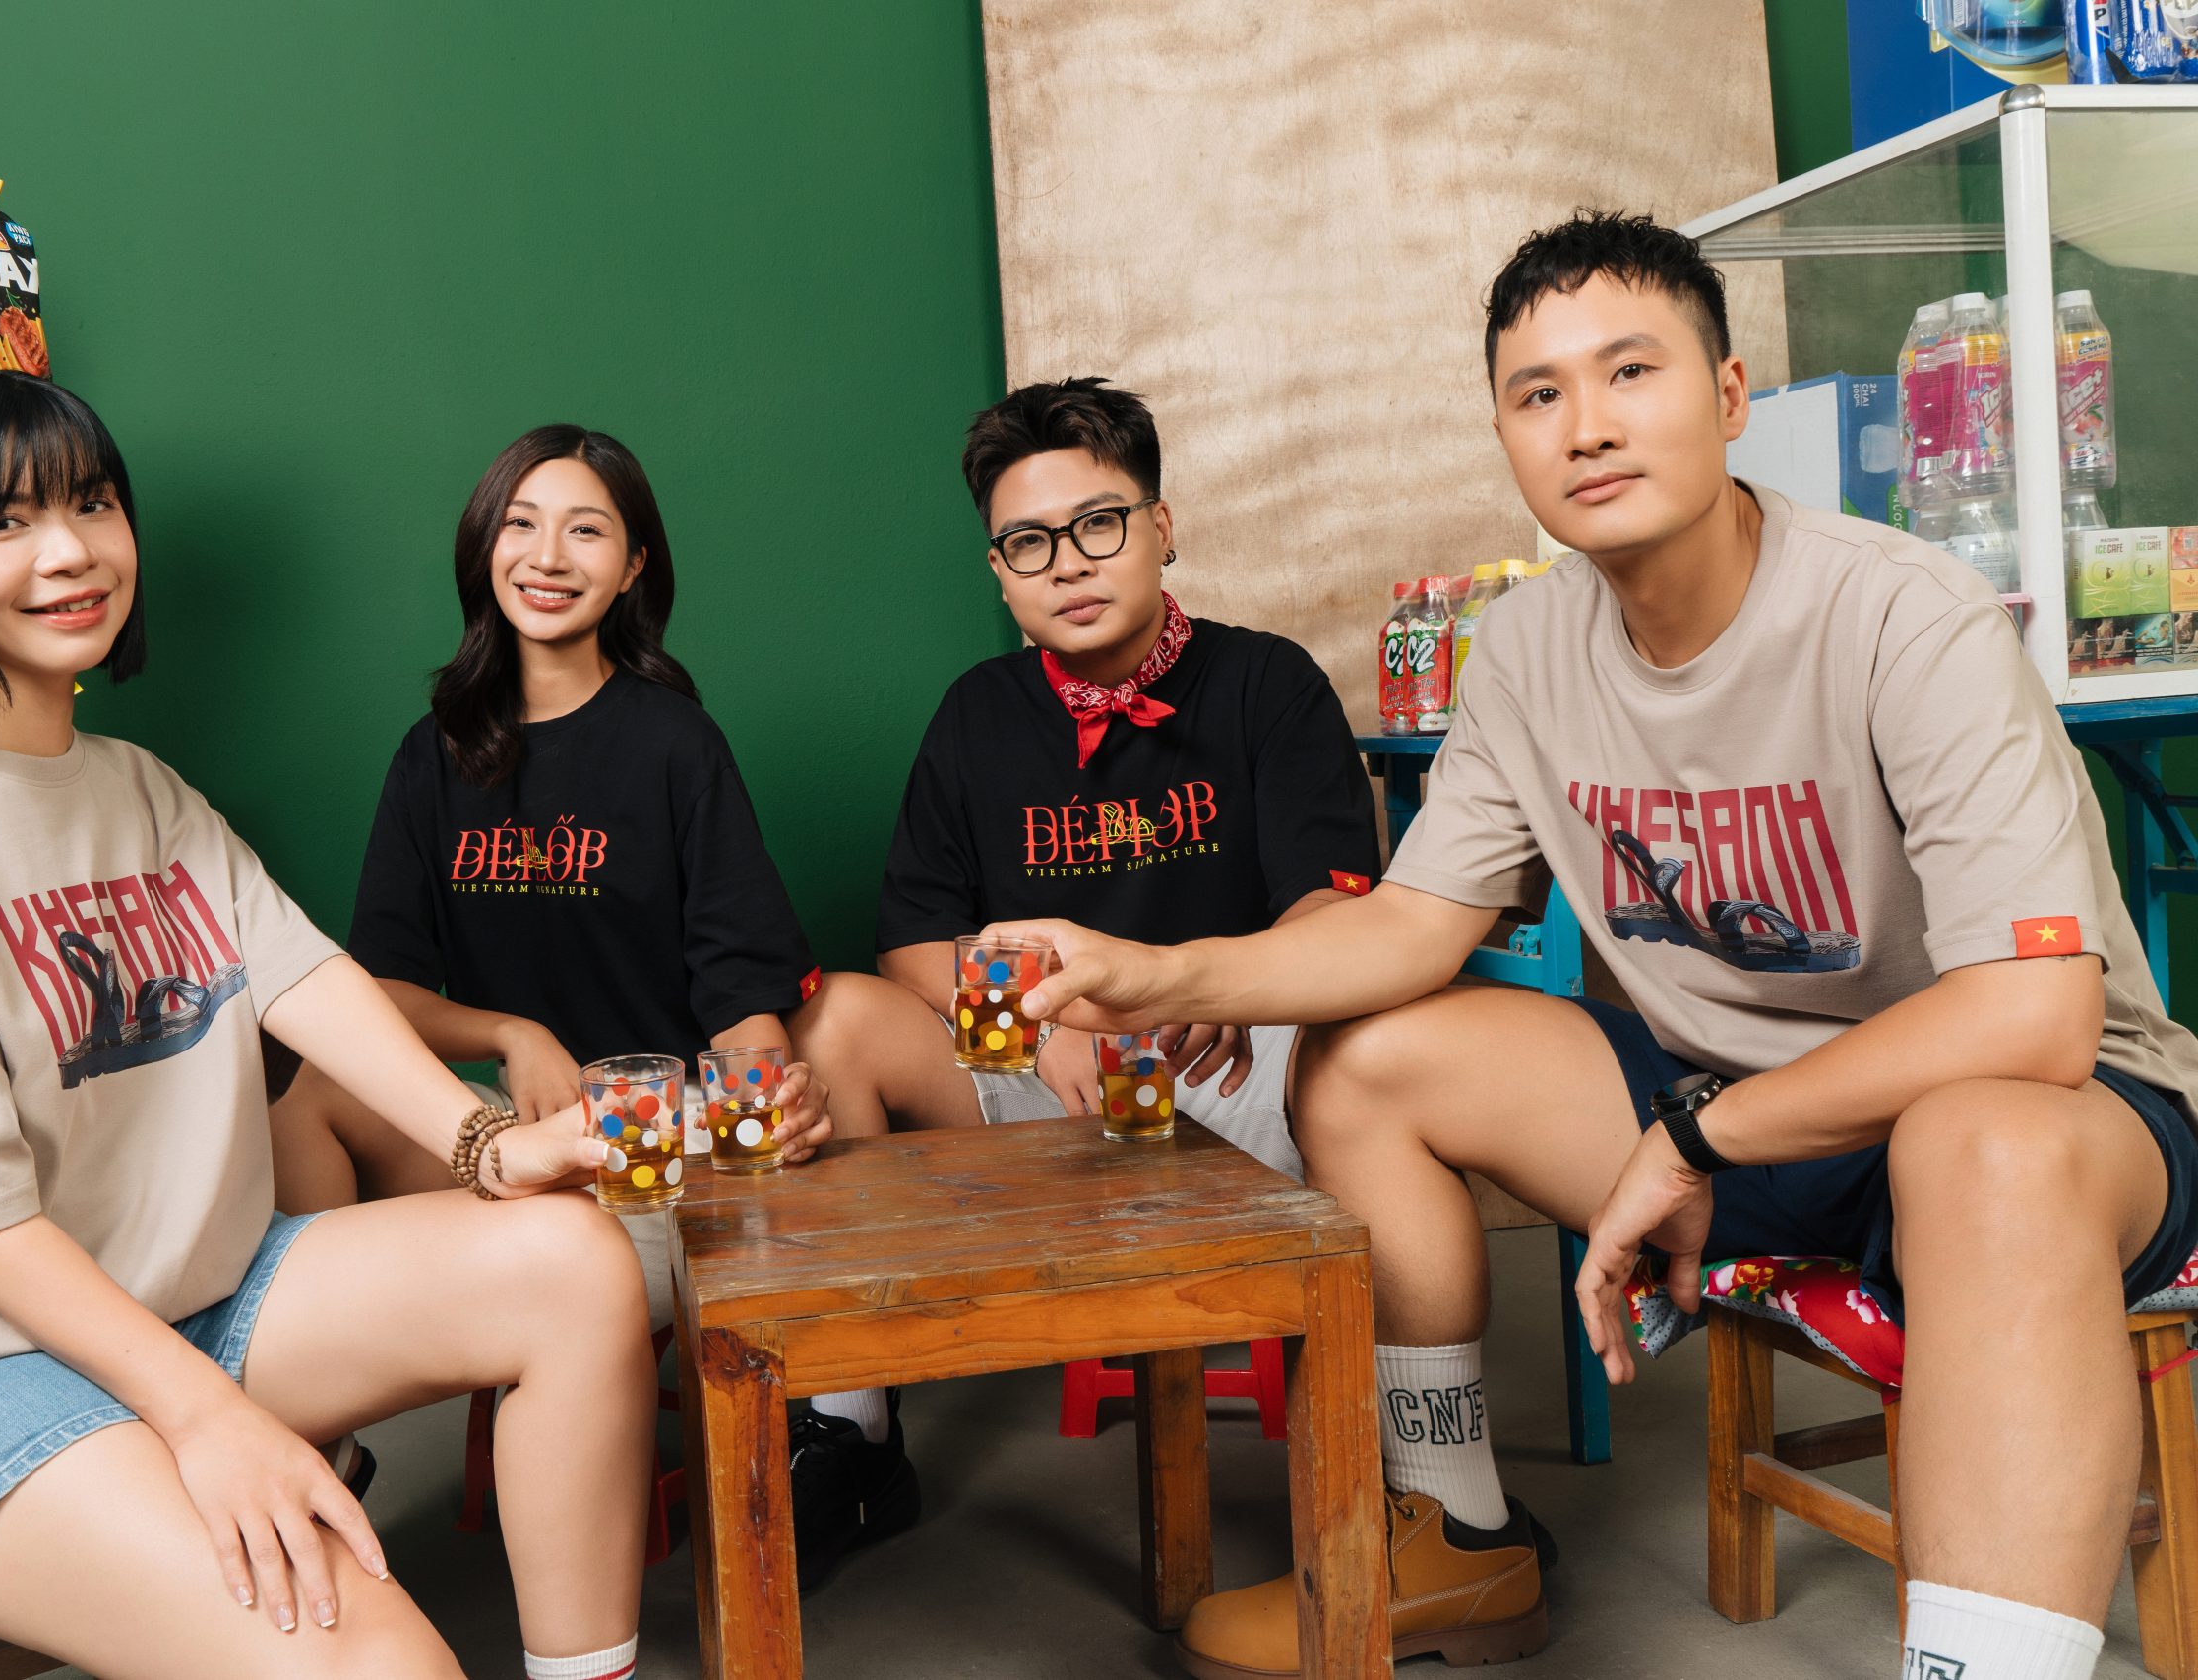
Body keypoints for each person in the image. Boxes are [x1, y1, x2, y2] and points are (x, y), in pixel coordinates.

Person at [989, 212, 2198, 1680]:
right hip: (1738, 1114)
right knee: (1369, 1057)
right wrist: (1155, 974)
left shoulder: (1906, 615)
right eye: (1538, 393)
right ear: (1505, 434)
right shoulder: (1525, 649)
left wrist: (1693, 1139)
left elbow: (2033, 1020)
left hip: (2044, 1125)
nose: (1588, 425)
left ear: (1730, 394)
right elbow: (1413, 927)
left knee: (1979, 1142)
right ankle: (1456, 1538)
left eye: (1631, 371)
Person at [0, 372, 653, 1680]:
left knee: (574, 1260)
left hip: (187, 1297)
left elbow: (302, 980)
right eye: (2, 522)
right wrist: (209, 1419)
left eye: (91, 503)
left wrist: (486, 1146)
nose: (71, 550)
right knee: (379, 1659)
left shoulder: (138, 789)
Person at [270, 423, 964, 1588]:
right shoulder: (433, 755)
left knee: (797, 1111)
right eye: (521, 524)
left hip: (652, 1146)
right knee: (310, 1096)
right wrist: (511, 1033)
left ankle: (850, 1434)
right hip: (503, 1131)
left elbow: (741, 992)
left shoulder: (674, 744)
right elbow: (378, 990)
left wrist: (767, 1096)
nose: (548, 555)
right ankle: (310, 1445)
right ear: (483, 546)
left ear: (634, 564)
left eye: (585, 529)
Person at [875, 377, 1380, 1172]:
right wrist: (1040, 1032)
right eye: (1030, 543)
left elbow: (1335, 905)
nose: (1068, 566)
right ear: (999, 570)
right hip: (1044, 1063)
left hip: (1234, 1055)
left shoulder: (1267, 681)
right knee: (843, 1019)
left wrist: (1227, 985)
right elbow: (913, 942)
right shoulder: (975, 711)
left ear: (1161, 526)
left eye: (1098, 525)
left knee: (1375, 1038)